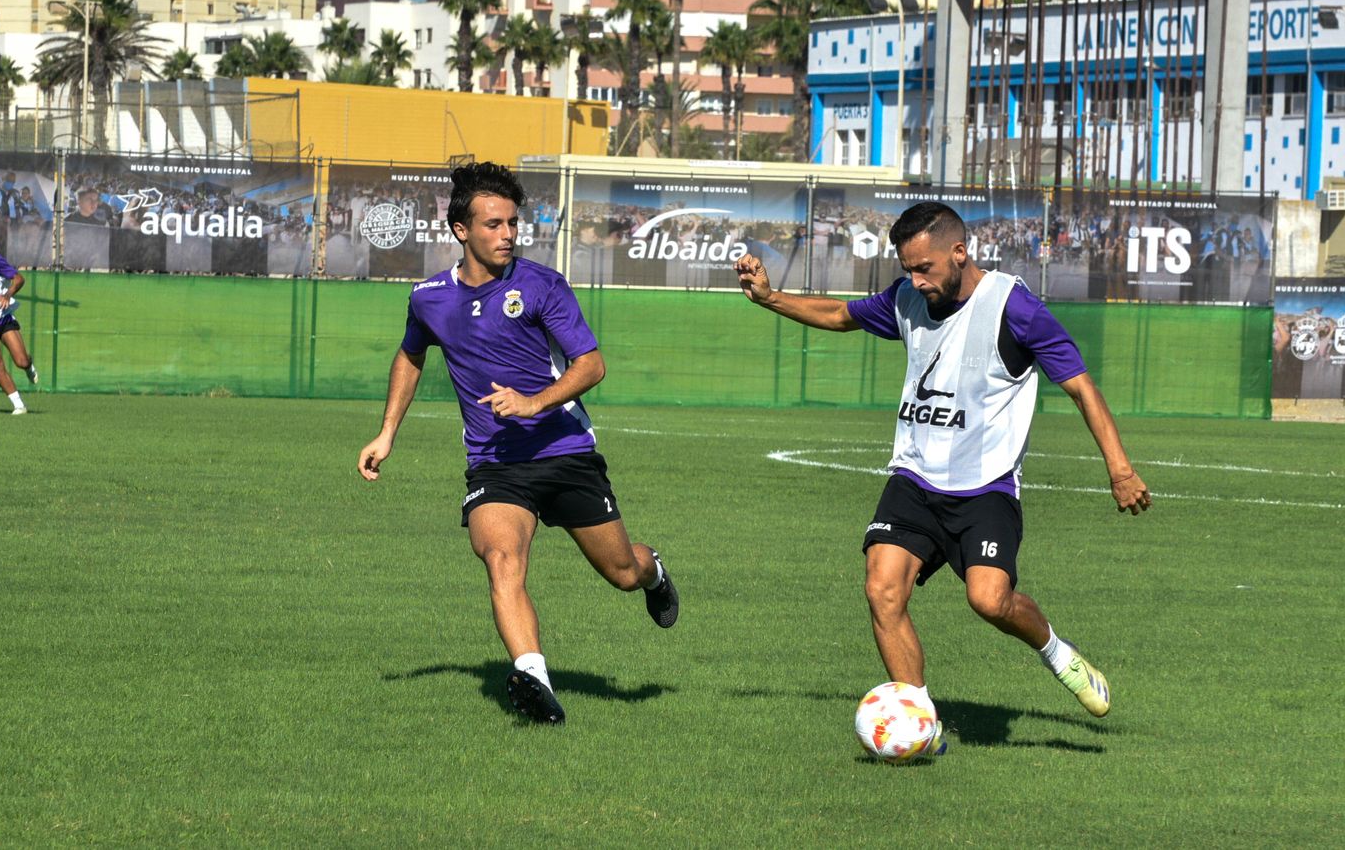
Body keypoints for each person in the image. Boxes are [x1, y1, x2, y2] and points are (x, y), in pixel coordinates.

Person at [734, 201, 1150, 733]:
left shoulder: (1014, 308)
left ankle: (1054, 651)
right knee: (882, 589)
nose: (915, 279)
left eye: (924, 267)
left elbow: (1081, 387)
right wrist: (770, 299)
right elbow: (842, 316)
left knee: (989, 600)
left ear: (960, 252)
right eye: (907, 268)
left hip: (985, 488)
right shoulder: (909, 298)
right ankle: (918, 726)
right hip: (914, 476)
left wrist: (1120, 470)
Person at [356, 162, 678, 725]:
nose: (508, 234)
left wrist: (533, 402)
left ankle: (656, 574)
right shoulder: (428, 297)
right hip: (496, 464)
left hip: (565, 453)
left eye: (513, 223)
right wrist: (387, 432)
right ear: (461, 230)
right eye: (494, 224)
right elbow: (411, 354)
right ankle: (534, 681)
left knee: (622, 571)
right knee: (502, 559)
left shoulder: (542, 285)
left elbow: (592, 365)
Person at [0, 249, 38, 414]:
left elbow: (19, 279)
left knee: (21, 361)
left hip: (3, 318)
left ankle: (29, 366)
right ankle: (19, 405)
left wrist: (7, 295)